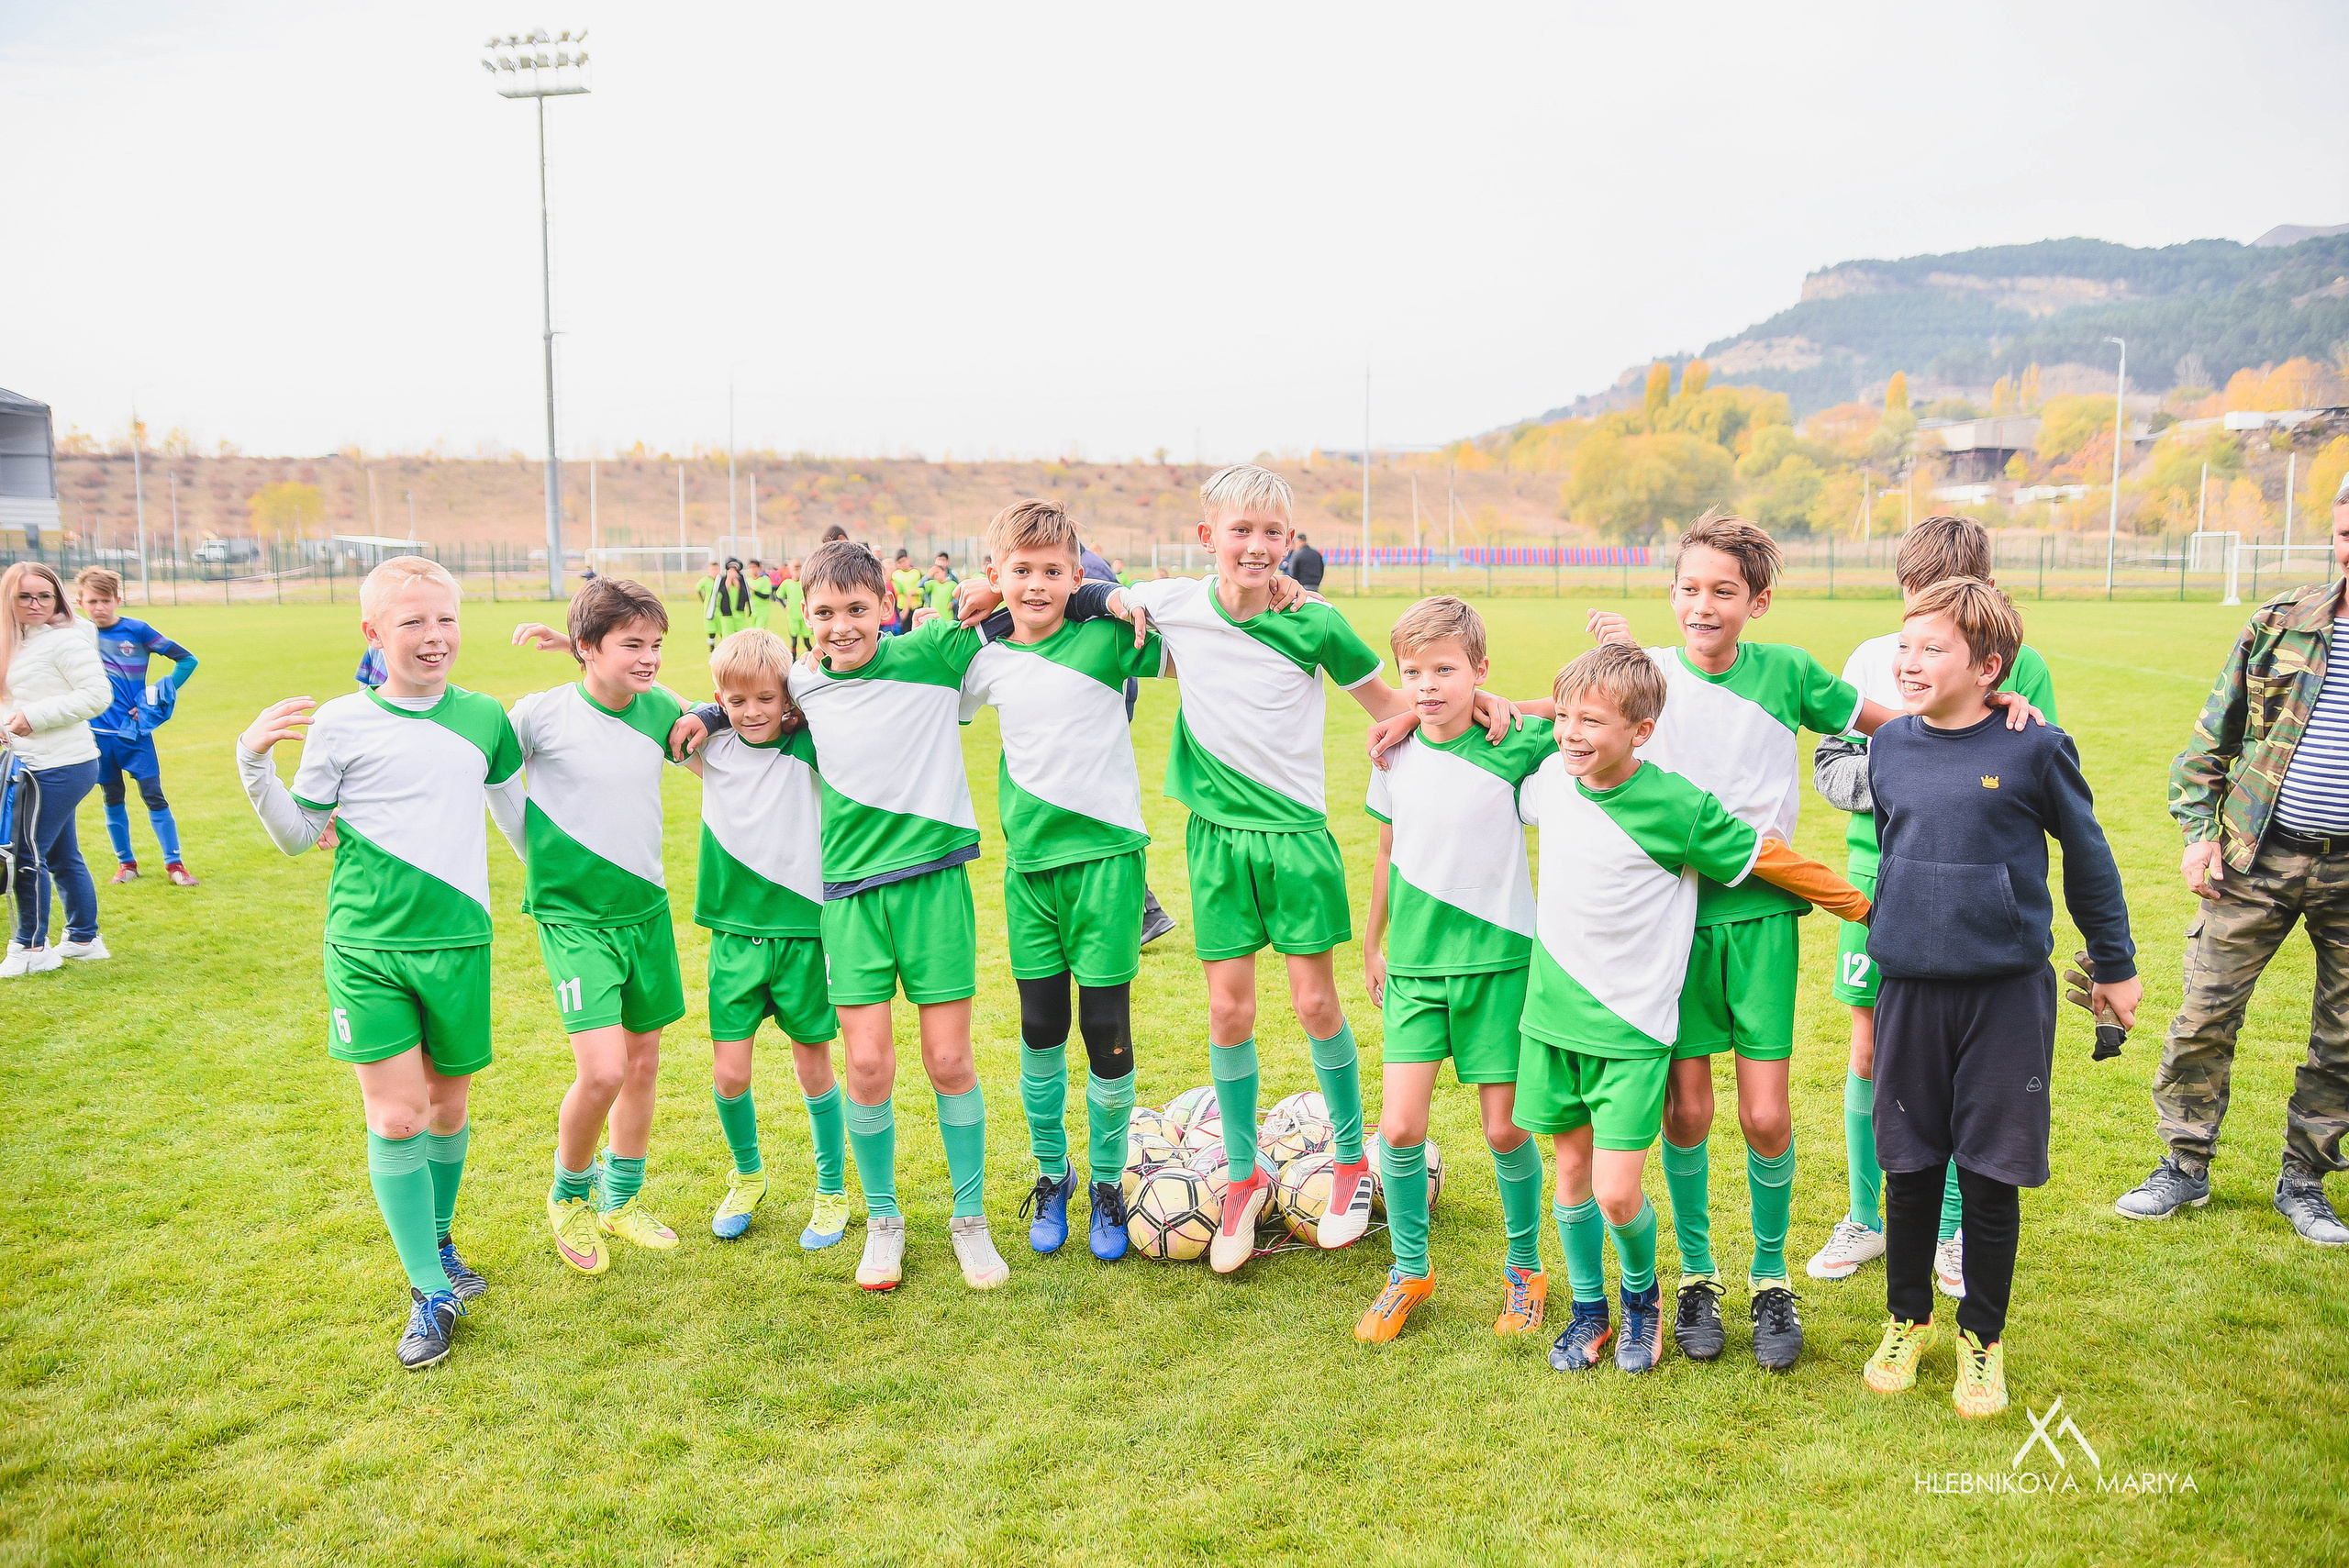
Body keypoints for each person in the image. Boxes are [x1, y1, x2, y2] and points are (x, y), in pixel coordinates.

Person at [1091, 465, 1513, 1274]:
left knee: (1317, 1001)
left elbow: (1397, 707)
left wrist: (1494, 707)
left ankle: (1353, 1159)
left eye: (1271, 533)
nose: (1255, 546)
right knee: (1227, 1011)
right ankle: (1244, 1179)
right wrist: (1100, 598)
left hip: (1297, 839)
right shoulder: (1175, 605)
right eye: (1239, 530)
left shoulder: (1316, 622)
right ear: (1209, 535)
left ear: (1291, 541)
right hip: (1215, 839)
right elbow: (1080, 592)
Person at [1517, 644, 1869, 1374]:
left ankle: (1761, 1282)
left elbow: (1767, 857)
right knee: (1588, 1167)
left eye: (1593, 720)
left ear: (1642, 730)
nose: (1573, 732)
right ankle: (1636, 1296)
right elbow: (1477, 736)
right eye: (1567, 717)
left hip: (1638, 1018)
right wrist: (1420, 715)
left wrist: (1869, 909)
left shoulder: (1675, 802)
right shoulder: (1550, 776)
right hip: (1550, 1020)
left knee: (1711, 1138)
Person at [677, 539, 1008, 1291]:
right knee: (865, 1065)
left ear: (885, 609)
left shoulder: (931, 650)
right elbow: (743, 689)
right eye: (824, 614)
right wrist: (702, 710)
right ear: (807, 618)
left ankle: (970, 1221)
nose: (840, 627)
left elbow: (1029, 599)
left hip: (932, 885)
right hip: (849, 897)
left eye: (857, 610)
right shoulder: (800, 682)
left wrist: (992, 591)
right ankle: (884, 1221)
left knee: (950, 1061)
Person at [234, 555, 527, 1370]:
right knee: (396, 1116)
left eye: (445, 620)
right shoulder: (339, 723)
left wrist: (559, 891)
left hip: (461, 943)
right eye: (412, 623)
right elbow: (301, 834)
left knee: (446, 1108)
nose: (434, 638)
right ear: (372, 633)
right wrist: (253, 762)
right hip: (367, 947)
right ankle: (428, 1288)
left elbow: (519, 821)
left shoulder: (485, 718)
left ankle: (438, 1242)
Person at [1858, 578, 2137, 1418]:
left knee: (1988, 1176)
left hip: (2007, 996)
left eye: (1932, 649)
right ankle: (1907, 1318)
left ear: (1990, 667)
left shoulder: (2035, 747)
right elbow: (1895, 851)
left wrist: (2115, 963)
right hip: (1909, 988)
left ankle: (1983, 1336)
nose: (1909, 662)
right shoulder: (1890, 747)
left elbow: (2089, 860)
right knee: (1906, 1167)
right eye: (1904, 645)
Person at [1805, 516, 2059, 1294]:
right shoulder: (1872, 658)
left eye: (1948, 597)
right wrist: (1902, 773)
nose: (1920, 622)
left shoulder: (2024, 664)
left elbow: (2037, 767)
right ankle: (1868, 1217)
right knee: (1869, 1051)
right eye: (1913, 598)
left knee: (1962, 1073)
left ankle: (1951, 1233)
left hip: (1975, 899)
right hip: (1877, 880)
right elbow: (1831, 763)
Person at [2116, 475, 2349, 1245]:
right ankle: (2183, 1166)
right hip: (2257, 855)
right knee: (2204, 1012)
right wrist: (2199, 831)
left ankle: (2305, 1180)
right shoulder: (2282, 624)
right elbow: (2206, 743)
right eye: (2346, 534)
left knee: (2344, 1032)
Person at [958, 499, 1164, 1262]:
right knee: (1041, 1027)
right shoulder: (982, 656)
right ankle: (1055, 1175)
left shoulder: (1110, 637)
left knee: (1106, 1032)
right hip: (1030, 872)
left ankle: (1108, 1182)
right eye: (1021, 571)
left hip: (1108, 867)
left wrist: (1104, 597)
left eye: (1054, 572)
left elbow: (1190, 641)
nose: (1036, 584)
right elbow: (901, 686)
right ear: (995, 575)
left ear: (1077, 574)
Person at [1355, 596, 1554, 1342]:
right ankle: (1409, 1269)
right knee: (1400, 1128)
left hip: (1497, 964)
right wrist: (1373, 942)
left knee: (1505, 1130)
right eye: (1414, 672)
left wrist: (1509, 704)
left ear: (1480, 670)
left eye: (1446, 669)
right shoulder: (1392, 750)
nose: (1428, 685)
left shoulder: (1514, 741)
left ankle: (1525, 1269)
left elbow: (1582, 707)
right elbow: (1384, 850)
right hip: (1413, 968)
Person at [509, 580, 692, 1277]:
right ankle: (569, 1193)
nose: (648, 658)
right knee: (605, 1067)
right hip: (574, 917)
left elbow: (713, 718)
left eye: (655, 645)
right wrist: (537, 855)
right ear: (588, 647)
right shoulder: (537, 716)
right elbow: (489, 782)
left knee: (643, 1062)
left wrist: (602, 658)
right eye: (632, 645)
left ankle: (622, 1199)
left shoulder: (664, 711)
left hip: (645, 910)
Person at [682, 628, 848, 1249]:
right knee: (729, 1074)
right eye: (735, 699)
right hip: (733, 935)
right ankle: (748, 1174)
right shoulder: (710, 745)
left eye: (764, 698)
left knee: (814, 1068)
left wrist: (802, 694)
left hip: (804, 933)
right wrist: (703, 710)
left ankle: (831, 1190)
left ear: (787, 699)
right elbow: (649, 712)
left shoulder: (810, 744)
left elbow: (836, 692)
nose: (750, 712)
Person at [0, 563, 108, 975]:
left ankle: (30, 947)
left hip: (62, 765)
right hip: (32, 763)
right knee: (62, 853)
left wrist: (35, 716)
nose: (36, 604)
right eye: (25, 596)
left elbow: (98, 695)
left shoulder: (65, 641)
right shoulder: (15, 641)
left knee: (25, 851)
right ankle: (83, 938)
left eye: (45, 596)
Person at [73, 567, 201, 887]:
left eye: (105, 600)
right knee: (111, 797)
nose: (99, 607)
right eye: (92, 601)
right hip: (97, 736)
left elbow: (187, 660)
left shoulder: (137, 630)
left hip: (134, 732)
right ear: (80, 602)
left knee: (153, 795)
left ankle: (175, 865)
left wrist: (155, 696)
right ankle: (125, 864)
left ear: (118, 600)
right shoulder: (77, 635)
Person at [780, 558, 811, 657]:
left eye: (798, 569)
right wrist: (785, 605)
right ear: (790, 570)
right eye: (794, 570)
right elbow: (779, 595)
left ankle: (815, 657)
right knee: (794, 642)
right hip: (793, 616)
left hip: (805, 617)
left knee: (807, 641)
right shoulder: (787, 583)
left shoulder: (805, 583)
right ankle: (793, 660)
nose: (796, 572)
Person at [888, 550, 923, 636]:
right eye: (899, 562)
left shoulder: (916, 572)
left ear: (908, 559)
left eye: (904, 561)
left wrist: (914, 592)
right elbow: (897, 591)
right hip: (902, 607)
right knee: (904, 631)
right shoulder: (895, 574)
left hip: (916, 605)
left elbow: (923, 589)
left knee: (917, 630)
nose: (903, 564)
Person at [696, 560, 723, 650]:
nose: (714, 571)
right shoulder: (705, 580)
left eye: (716, 569)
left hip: (721, 609)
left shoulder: (722, 580)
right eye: (712, 569)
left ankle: (724, 650)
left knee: (723, 630)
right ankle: (712, 650)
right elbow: (698, 589)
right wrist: (703, 600)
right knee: (711, 631)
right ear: (708, 570)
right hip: (709, 609)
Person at [1286, 530, 1325, 594]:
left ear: (1298, 541)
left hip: (1302, 584)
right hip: (1315, 584)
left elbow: (1293, 570)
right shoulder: (1316, 553)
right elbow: (1321, 568)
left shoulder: (1297, 554)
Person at [745, 559, 778, 629]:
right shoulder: (748, 580)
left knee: (759, 631)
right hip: (752, 611)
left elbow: (766, 595)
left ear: (759, 568)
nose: (752, 570)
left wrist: (754, 591)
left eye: (754, 567)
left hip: (762, 610)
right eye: (750, 567)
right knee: (751, 633)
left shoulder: (765, 580)